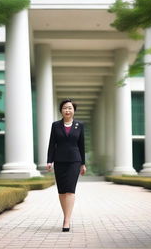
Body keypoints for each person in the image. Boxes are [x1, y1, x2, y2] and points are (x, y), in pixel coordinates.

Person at [46, 99, 86, 232]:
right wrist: (49, 161)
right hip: (59, 161)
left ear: (74, 110)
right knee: (62, 192)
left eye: (70, 108)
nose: (67, 110)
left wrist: (83, 164)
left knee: (70, 190)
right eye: (65, 108)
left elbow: (81, 145)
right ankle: (66, 216)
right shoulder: (55, 125)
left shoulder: (79, 125)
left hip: (74, 161)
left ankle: (67, 220)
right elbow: (52, 144)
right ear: (61, 110)